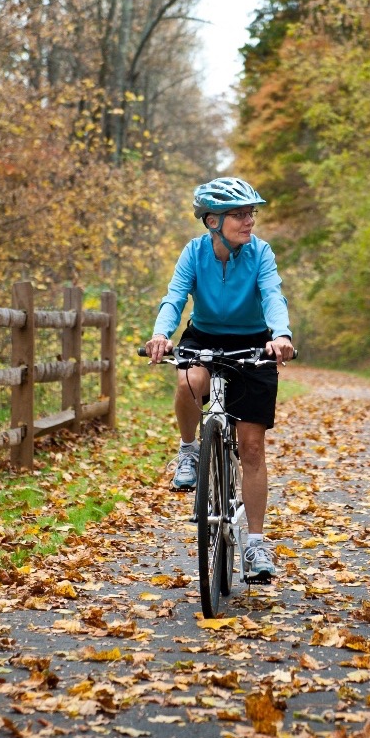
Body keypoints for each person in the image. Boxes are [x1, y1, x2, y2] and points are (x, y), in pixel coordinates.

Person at [144, 176, 296, 583]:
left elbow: (272, 295)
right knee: (187, 382)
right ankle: (190, 449)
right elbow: (175, 297)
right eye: (239, 215)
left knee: (251, 447)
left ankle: (256, 544)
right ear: (213, 221)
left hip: (254, 343)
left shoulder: (260, 252)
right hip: (205, 335)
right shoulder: (193, 254)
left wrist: (281, 335)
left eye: (251, 213)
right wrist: (161, 333)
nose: (249, 221)